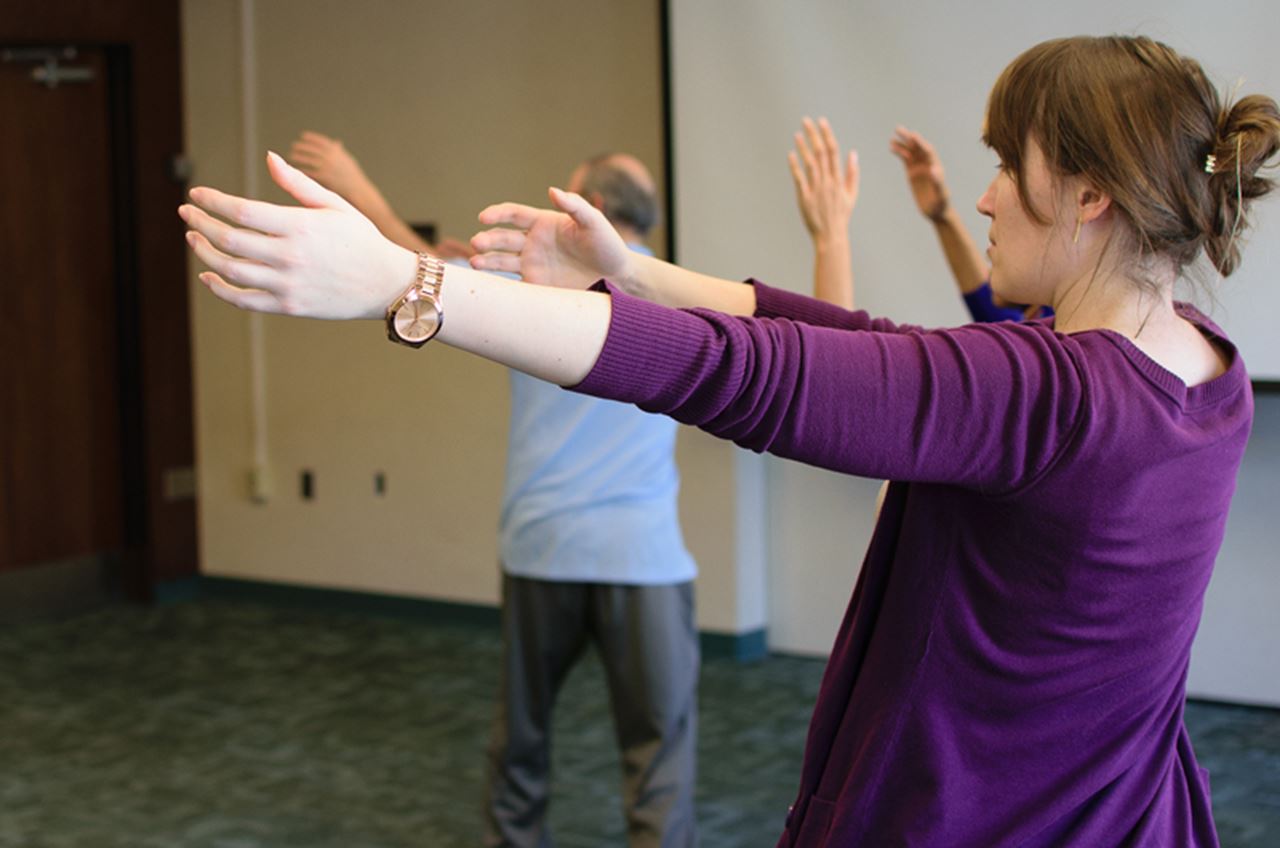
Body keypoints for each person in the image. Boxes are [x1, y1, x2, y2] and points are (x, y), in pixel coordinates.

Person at [181, 34, 1280, 846]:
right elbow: (861, 339)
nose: (984, 194)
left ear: (1087, 193)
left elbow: (744, 373)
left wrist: (403, 282)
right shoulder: (1200, 363)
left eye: (1007, 162)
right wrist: (636, 270)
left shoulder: (1047, 392)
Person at [282, 138, 700, 848]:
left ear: (591, 209)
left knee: (524, 736)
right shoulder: (680, 299)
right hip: (642, 561)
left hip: (543, 550)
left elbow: (416, 270)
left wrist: (358, 183)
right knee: (659, 751)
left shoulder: (532, 286)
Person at [890, 124, 1051, 322]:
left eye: (1010, 169)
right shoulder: (1045, 324)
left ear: (1087, 200)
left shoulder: (1057, 337)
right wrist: (943, 216)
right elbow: (993, 314)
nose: (984, 204)